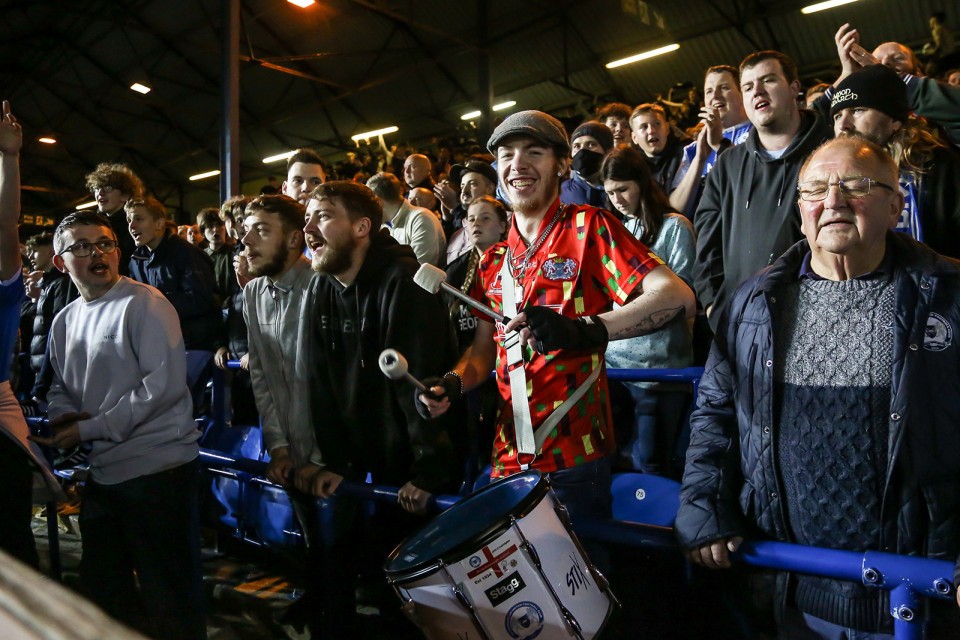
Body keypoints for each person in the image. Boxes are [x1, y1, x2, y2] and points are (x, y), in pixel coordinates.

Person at [677, 137, 960, 638]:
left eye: (856, 185)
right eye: (816, 189)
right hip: (795, 587)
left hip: (922, 590)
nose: (834, 201)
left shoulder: (949, 294)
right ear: (801, 208)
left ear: (896, 204)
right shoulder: (756, 302)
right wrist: (705, 505)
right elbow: (717, 412)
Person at [419, 110, 695, 528]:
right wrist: (451, 384)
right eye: (507, 154)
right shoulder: (493, 261)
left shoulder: (589, 226)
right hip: (507, 460)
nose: (518, 164)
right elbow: (480, 353)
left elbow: (676, 296)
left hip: (575, 462)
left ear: (563, 165)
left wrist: (588, 329)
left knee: (580, 588)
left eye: (534, 152)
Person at [302, 180, 464, 637]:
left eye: (323, 216)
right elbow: (321, 383)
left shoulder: (404, 282)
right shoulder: (323, 287)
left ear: (362, 227)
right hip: (370, 468)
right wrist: (338, 463)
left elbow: (422, 390)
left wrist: (427, 473)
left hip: (413, 471)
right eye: (308, 217)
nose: (309, 228)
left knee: (419, 602)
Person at [36, 210, 204, 639]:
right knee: (107, 596)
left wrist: (88, 431)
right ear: (60, 262)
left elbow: (161, 388)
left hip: (158, 473)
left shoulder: (145, 303)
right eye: (82, 246)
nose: (98, 253)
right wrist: (61, 415)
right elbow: (60, 387)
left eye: (105, 243)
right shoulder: (65, 319)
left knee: (171, 599)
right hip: (105, 475)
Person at [693, 50, 832, 330]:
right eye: (747, 86)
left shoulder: (830, 152)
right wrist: (713, 308)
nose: (757, 91)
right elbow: (707, 248)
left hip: (815, 324)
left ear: (794, 87)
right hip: (740, 327)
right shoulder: (728, 165)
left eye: (768, 80)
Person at [241, 194, 322, 633]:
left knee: (341, 555)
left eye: (261, 230)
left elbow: (332, 387)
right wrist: (279, 447)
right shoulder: (252, 293)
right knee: (312, 544)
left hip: (331, 456)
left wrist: (319, 458)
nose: (246, 239)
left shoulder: (322, 286)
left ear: (295, 239)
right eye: (246, 229)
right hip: (292, 451)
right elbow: (263, 382)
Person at [601, 146, 696, 477]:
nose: (617, 199)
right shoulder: (617, 230)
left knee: (653, 462)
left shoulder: (674, 227)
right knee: (614, 457)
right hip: (615, 365)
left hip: (660, 367)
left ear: (642, 182)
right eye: (610, 192)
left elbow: (683, 296)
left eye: (623, 189)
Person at [0, 101, 62, 570]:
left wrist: (9, 158)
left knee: (11, 535)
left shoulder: (3, 287)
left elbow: (6, 224)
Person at [830, 63, 960, 258]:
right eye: (837, 115)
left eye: (858, 110)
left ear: (894, 120)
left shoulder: (938, 165)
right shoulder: (830, 182)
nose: (843, 125)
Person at [126, 196, 222, 410]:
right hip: (159, 348)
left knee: (182, 410)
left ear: (159, 224)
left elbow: (203, 298)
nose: (132, 226)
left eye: (138, 219)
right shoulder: (136, 260)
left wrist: (156, 304)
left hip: (193, 345)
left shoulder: (187, 254)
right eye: (129, 220)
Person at [670, 65, 753, 219]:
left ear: (742, 93)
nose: (715, 95)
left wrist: (720, 145)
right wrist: (699, 160)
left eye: (724, 88)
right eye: (709, 91)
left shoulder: (759, 132)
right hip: (706, 237)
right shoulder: (693, 150)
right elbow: (675, 211)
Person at [366, 171, 446, 266]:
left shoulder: (421, 219)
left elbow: (419, 272)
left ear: (378, 201)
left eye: (368, 203)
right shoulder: (384, 225)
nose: (366, 209)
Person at [83, 162, 144, 276]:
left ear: (125, 195)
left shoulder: (135, 227)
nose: (100, 193)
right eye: (97, 188)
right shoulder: (92, 225)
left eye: (108, 188)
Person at [561, 120, 614, 208]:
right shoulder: (562, 193)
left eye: (591, 144)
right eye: (577, 146)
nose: (582, 151)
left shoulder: (622, 187)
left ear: (608, 150)